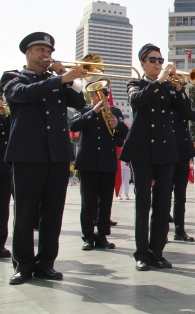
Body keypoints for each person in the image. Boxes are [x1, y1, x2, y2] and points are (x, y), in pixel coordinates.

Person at [1, 32, 87, 284]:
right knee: (25, 213)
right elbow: (22, 94)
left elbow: (79, 102)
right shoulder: (12, 77)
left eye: (48, 51)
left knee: (53, 213)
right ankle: (23, 264)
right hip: (27, 155)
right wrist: (60, 78)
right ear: (27, 53)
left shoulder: (58, 81)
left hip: (57, 155)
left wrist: (69, 81)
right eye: (40, 50)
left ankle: (46, 262)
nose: (46, 54)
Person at [119, 43, 191, 271]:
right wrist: (160, 80)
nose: (158, 64)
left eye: (160, 60)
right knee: (143, 203)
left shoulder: (170, 87)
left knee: (162, 203)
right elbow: (137, 101)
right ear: (142, 63)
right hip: (141, 150)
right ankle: (141, 253)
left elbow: (187, 112)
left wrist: (179, 89)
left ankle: (157, 251)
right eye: (152, 60)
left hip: (166, 150)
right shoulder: (135, 84)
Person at [69, 79, 128, 251]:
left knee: (105, 202)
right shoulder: (84, 110)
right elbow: (73, 125)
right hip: (88, 162)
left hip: (107, 161)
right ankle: (88, 236)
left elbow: (125, 134)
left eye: (103, 93)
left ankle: (102, 235)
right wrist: (93, 112)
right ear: (91, 95)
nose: (100, 96)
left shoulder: (115, 111)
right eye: (96, 93)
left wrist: (117, 126)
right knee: (88, 202)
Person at [171, 104, 195, 242]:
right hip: (167, 152)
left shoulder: (181, 104)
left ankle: (179, 230)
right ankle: (161, 231)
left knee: (180, 196)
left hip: (183, 153)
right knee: (163, 195)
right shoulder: (165, 102)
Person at [0, 94, 11, 258]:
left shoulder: (6, 115)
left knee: (3, 209)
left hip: (4, 168)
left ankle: (0, 244)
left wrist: (7, 114)